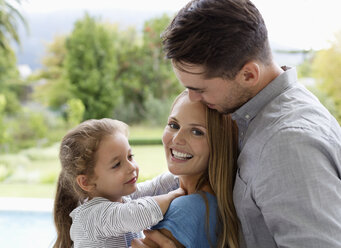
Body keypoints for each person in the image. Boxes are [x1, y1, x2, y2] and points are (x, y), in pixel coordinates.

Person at [133, 0, 341, 247]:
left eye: (199, 89)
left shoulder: (288, 144)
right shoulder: (251, 118)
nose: (192, 98)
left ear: (249, 75)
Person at [53, 118, 185, 248]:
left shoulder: (121, 197)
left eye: (130, 156)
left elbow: (157, 186)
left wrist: (185, 173)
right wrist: (174, 195)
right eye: (117, 164)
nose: (131, 167)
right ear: (86, 181)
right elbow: (137, 214)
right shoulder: (90, 218)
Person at [133, 90, 239, 248]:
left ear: (219, 144)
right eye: (173, 125)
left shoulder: (186, 209)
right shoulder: (207, 201)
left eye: (197, 132)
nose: (177, 139)